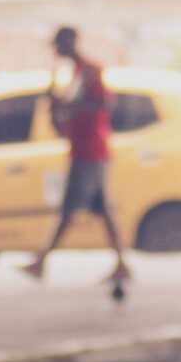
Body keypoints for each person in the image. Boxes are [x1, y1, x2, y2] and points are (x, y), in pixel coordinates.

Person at [22, 27, 131, 301]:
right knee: (103, 211)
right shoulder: (75, 74)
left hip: (90, 151)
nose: (55, 50)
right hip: (84, 149)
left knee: (69, 208)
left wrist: (66, 107)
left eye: (58, 44)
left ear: (69, 42)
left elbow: (102, 103)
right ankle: (121, 265)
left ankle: (41, 261)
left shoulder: (90, 71)